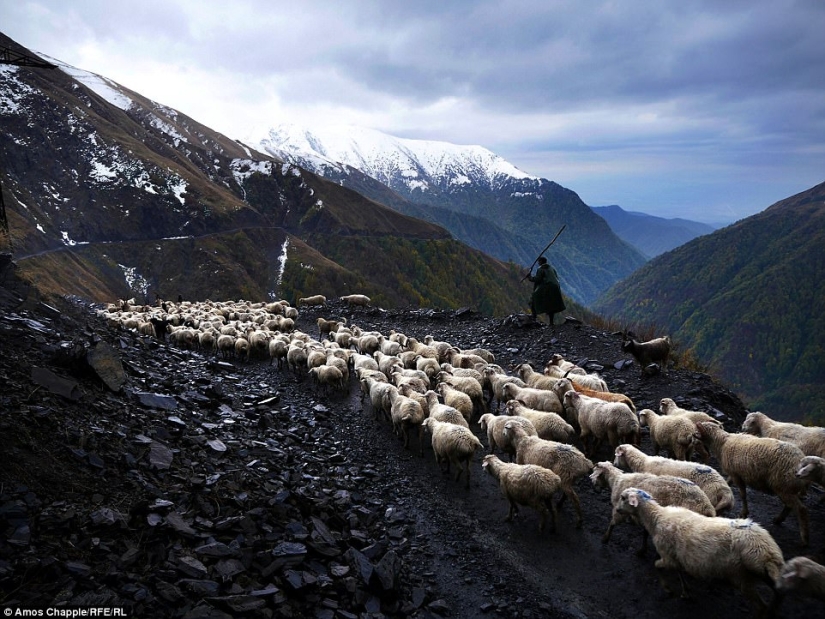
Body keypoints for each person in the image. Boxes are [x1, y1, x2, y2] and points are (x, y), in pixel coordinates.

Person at [526, 256, 565, 325]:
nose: (538, 263)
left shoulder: (541, 268)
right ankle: (551, 322)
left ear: (540, 262)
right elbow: (556, 278)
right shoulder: (552, 268)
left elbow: (538, 279)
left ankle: (534, 316)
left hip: (547, 287)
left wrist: (530, 277)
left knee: (533, 298)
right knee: (551, 304)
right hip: (555, 288)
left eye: (539, 262)